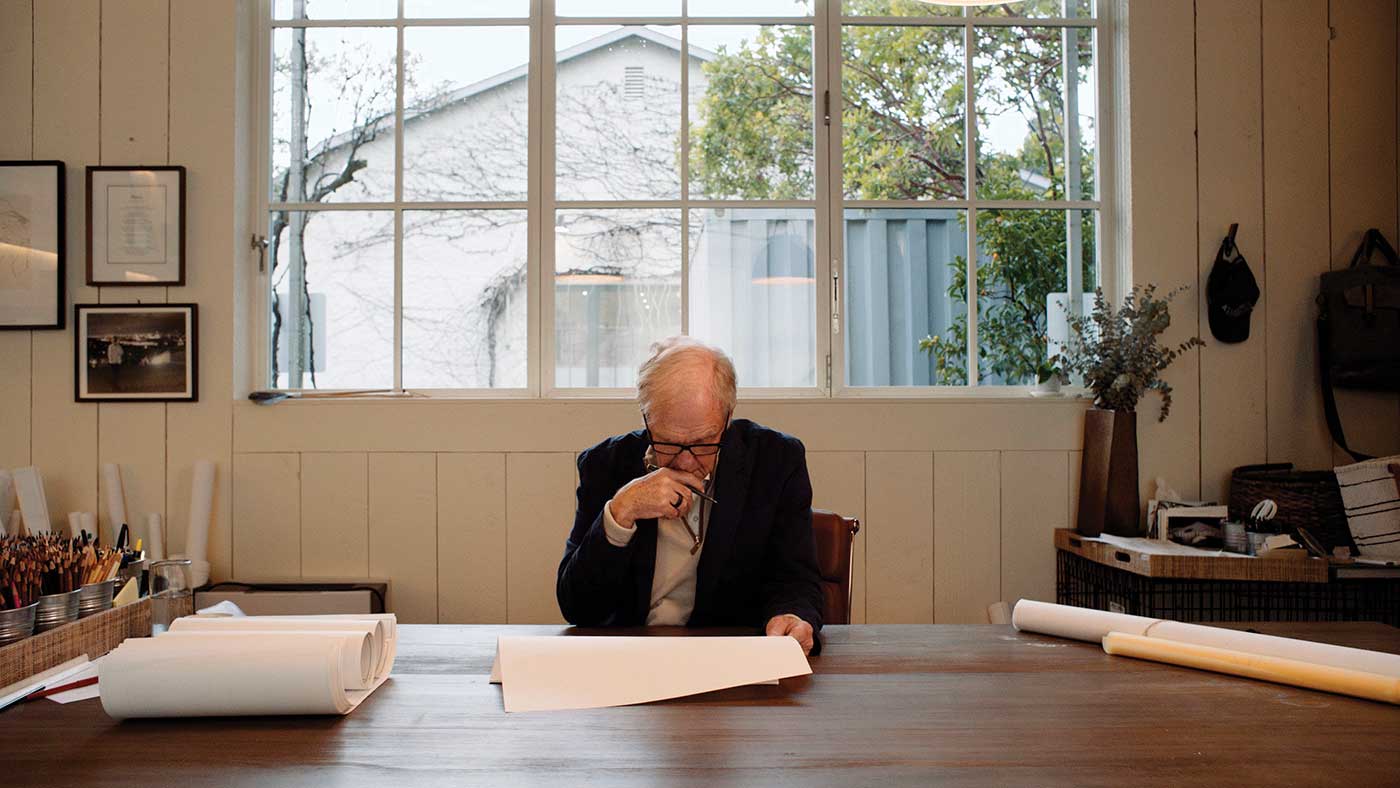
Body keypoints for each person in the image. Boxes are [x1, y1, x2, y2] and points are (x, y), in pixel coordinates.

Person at [556, 336, 825, 654]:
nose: (685, 461)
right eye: (667, 442)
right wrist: (620, 513)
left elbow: (795, 579)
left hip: (730, 660)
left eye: (702, 443)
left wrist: (791, 617)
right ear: (647, 418)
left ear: (727, 416)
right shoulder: (605, 464)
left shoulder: (776, 461)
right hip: (630, 658)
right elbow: (577, 608)